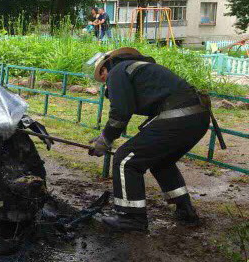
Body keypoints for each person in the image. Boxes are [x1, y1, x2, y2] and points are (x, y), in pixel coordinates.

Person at [87, 48, 211, 231]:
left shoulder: (118, 71)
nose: (104, 80)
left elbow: (120, 113)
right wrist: (105, 136)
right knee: (161, 162)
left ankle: (132, 218)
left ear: (108, 65)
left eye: (102, 74)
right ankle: (185, 210)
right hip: (197, 116)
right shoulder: (139, 68)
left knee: (125, 160)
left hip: (178, 116)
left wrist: (105, 140)